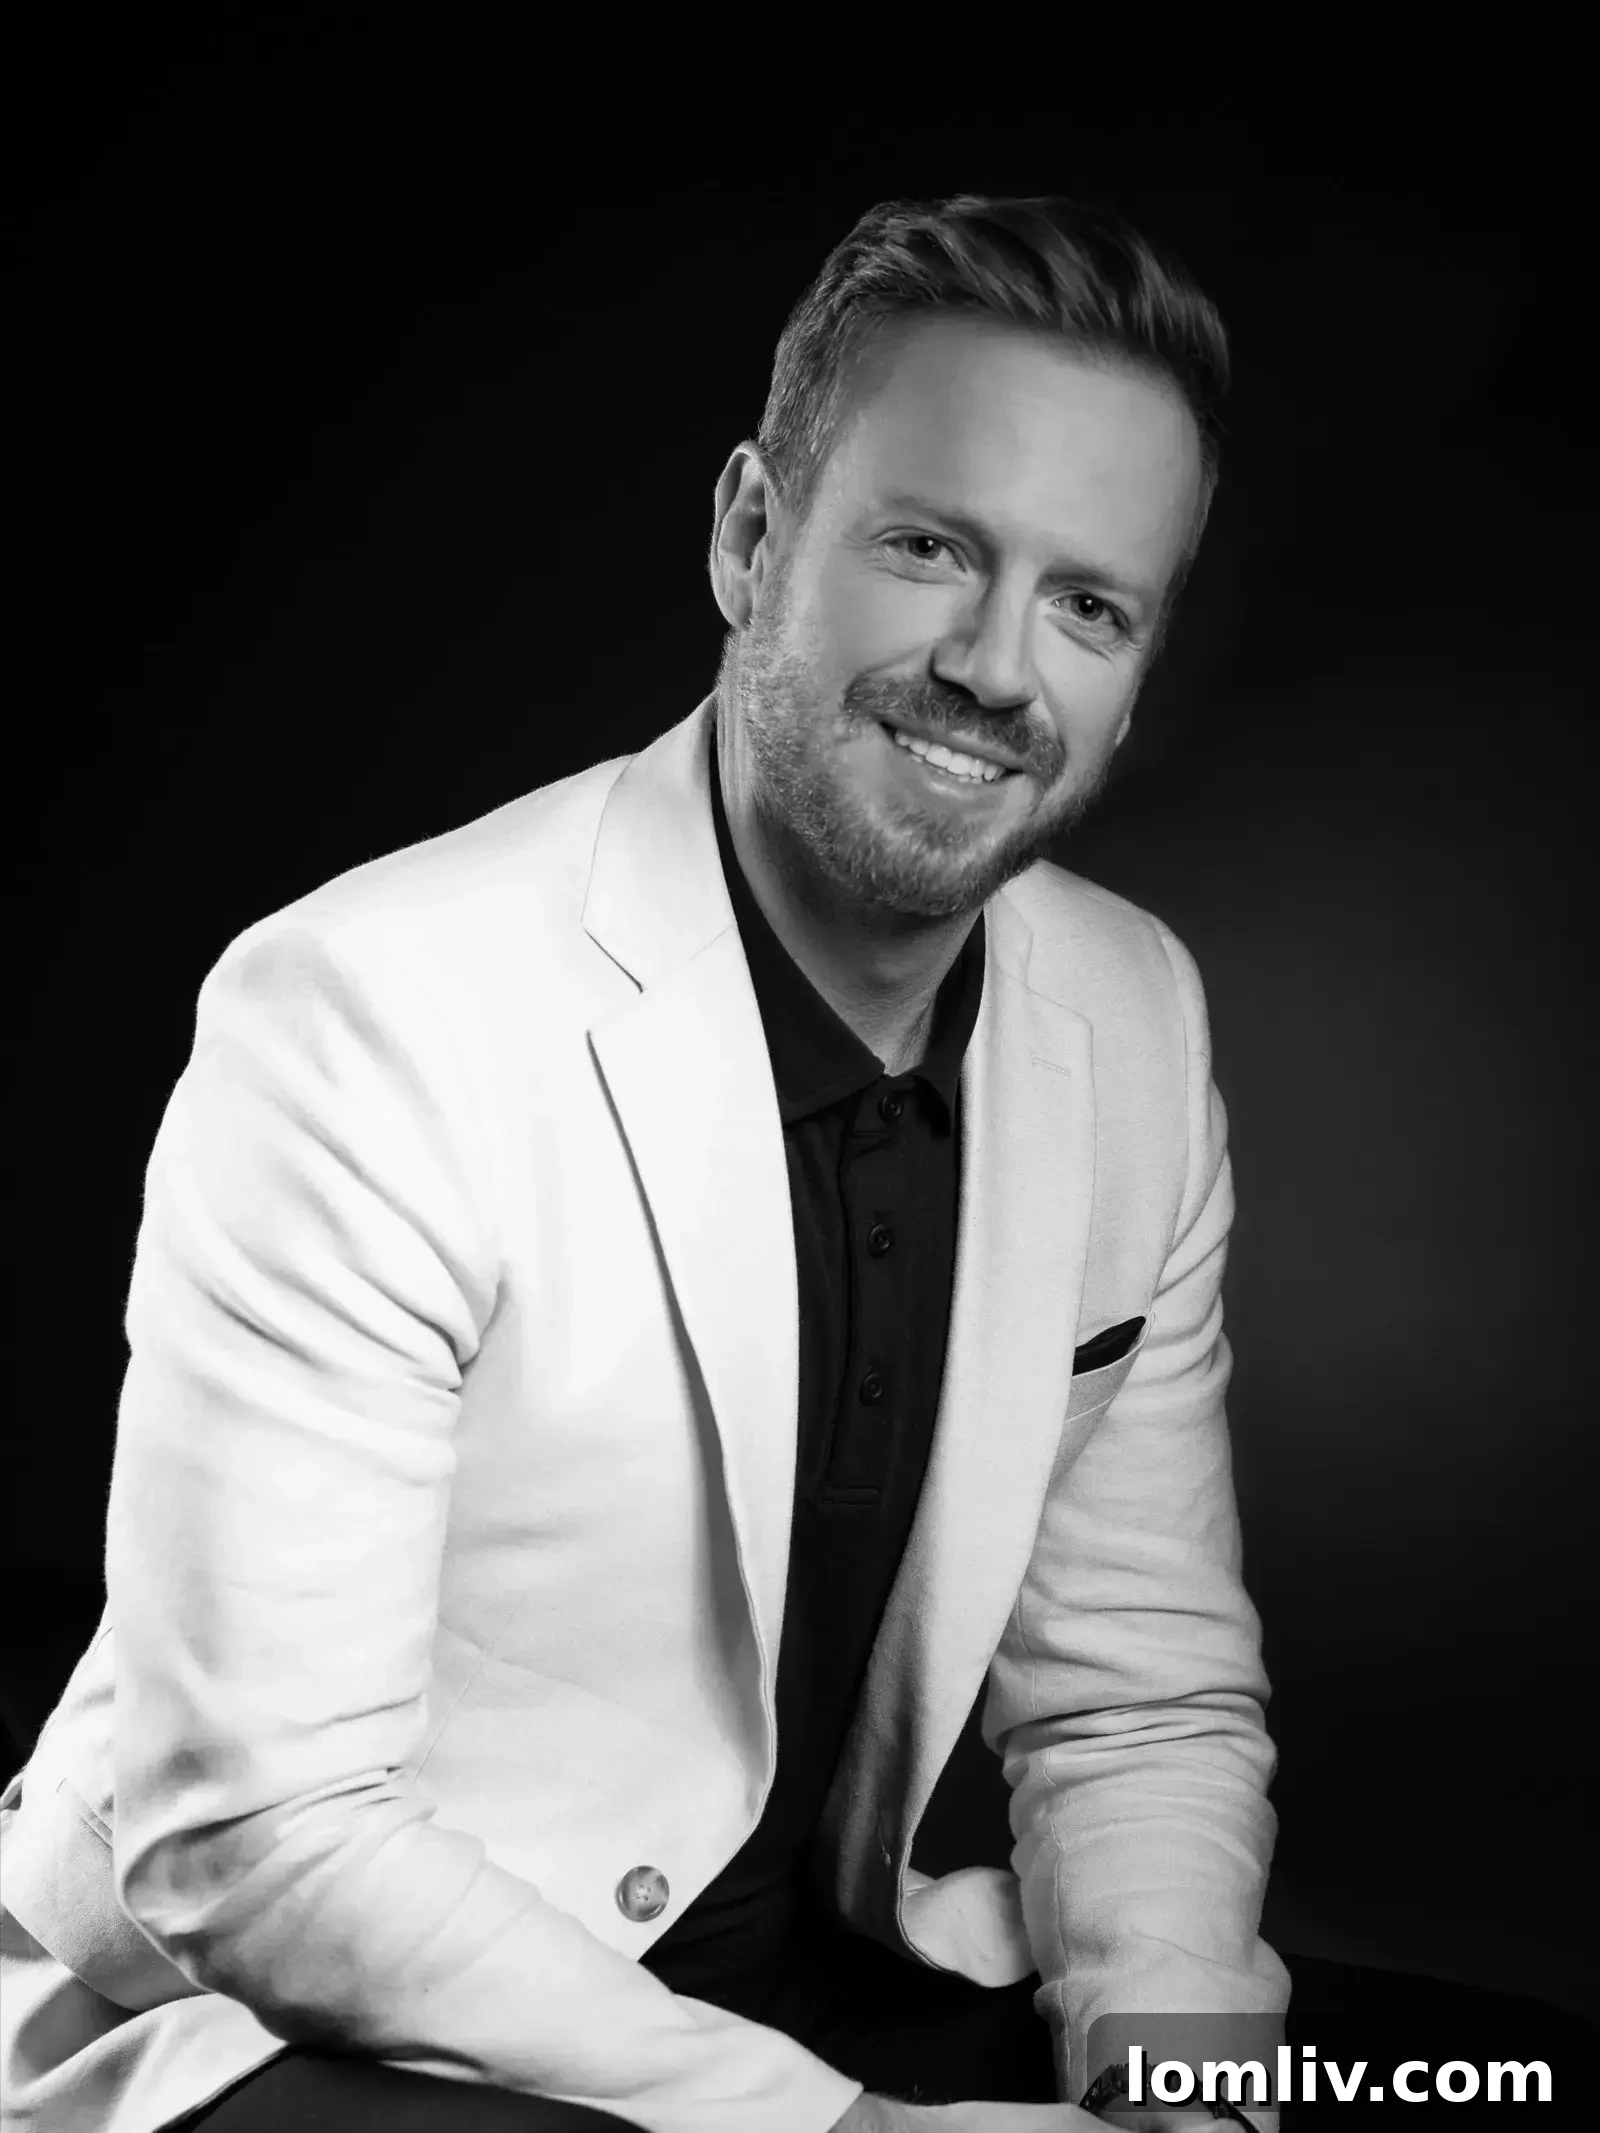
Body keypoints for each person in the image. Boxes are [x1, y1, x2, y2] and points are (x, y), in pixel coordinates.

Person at [7, 192, 1579, 2133]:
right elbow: (266, 1837)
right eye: (930, 546)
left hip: (822, 1972)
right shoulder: (363, 1009)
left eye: (1087, 604)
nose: (998, 669)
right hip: (309, 2013)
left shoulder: (1131, 1011)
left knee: (1501, 2097)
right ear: (752, 534)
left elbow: (1131, 1693)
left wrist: (1178, 2076)